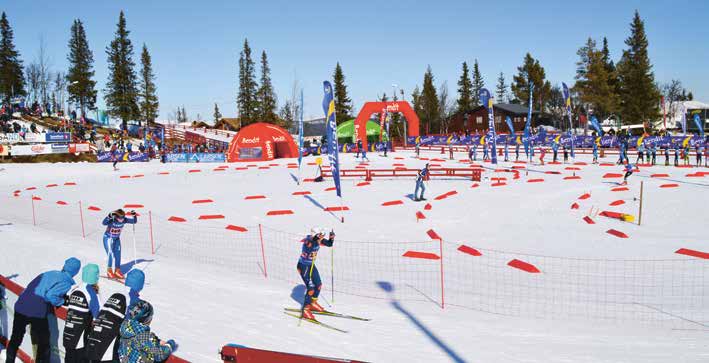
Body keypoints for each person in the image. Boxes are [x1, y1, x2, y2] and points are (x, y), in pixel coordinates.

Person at [6, 257, 81, 363]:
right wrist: (63, 301)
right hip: (37, 311)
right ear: (76, 272)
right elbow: (50, 296)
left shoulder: (48, 273)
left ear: (64, 266)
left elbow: (31, 286)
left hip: (21, 305)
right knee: (44, 342)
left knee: (15, 339)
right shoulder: (66, 282)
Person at [86, 269, 145, 363]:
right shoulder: (135, 301)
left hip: (94, 342)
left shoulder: (116, 295)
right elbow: (132, 327)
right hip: (109, 351)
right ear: (140, 285)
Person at [63, 264, 101, 363]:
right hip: (79, 340)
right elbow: (98, 315)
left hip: (67, 334)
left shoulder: (74, 288)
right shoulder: (91, 293)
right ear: (95, 277)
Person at [297, 228, 335, 320]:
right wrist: (318, 239)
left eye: (322, 235)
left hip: (311, 265)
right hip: (303, 266)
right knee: (311, 288)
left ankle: (313, 303)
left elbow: (329, 244)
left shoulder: (318, 240)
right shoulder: (309, 241)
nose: (322, 237)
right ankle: (305, 309)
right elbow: (311, 244)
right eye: (320, 235)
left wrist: (331, 238)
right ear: (315, 235)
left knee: (318, 285)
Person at [102, 209, 138, 279]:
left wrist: (134, 215)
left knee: (118, 255)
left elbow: (134, 221)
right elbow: (104, 223)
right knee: (111, 254)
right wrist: (108, 216)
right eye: (120, 218)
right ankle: (109, 271)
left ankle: (117, 270)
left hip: (116, 239)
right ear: (116, 217)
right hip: (108, 238)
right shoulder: (112, 220)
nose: (121, 220)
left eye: (123, 218)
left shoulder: (124, 220)